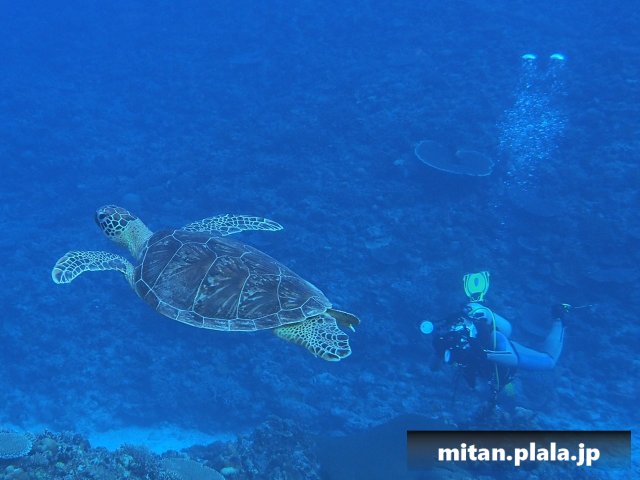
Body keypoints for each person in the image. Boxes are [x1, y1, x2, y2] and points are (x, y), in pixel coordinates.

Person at [427, 272, 573, 409]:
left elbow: (512, 358)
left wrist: (485, 355)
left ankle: (559, 319)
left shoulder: (493, 339)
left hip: (498, 347)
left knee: (549, 361)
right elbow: (433, 368)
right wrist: (438, 349)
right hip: (489, 359)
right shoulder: (450, 343)